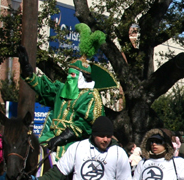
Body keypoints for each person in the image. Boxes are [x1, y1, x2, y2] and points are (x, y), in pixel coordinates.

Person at [17, 23, 117, 158]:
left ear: (82, 77)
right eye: (68, 74)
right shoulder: (61, 90)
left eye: (73, 75)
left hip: (75, 141)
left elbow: (85, 124)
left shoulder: (89, 96)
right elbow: (43, 88)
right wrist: (26, 68)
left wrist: (62, 137)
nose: (69, 77)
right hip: (50, 136)